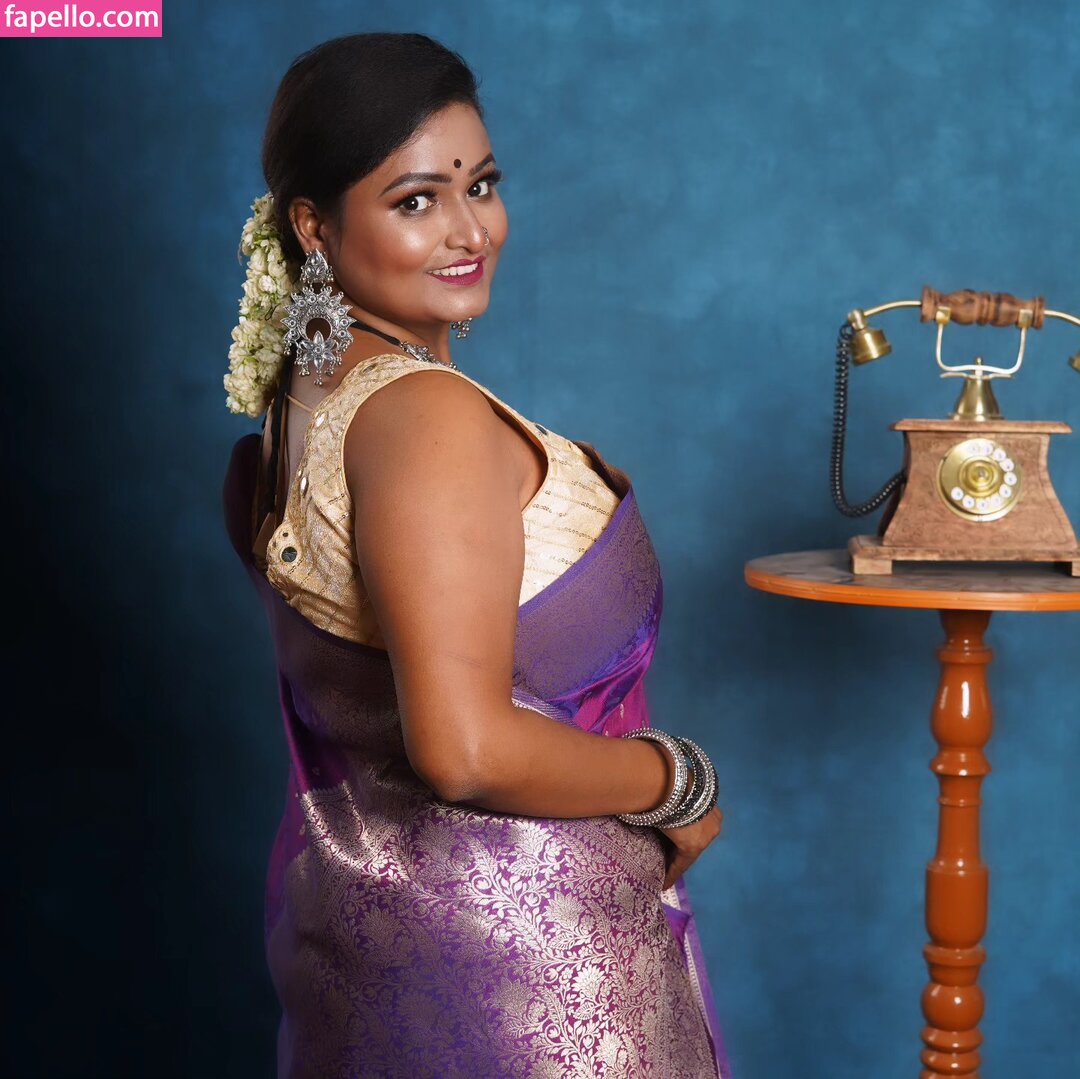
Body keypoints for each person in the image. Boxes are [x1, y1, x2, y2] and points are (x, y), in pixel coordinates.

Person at [222, 32, 730, 1079]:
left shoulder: (295, 417)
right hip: (530, 988)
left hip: (379, 956)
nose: (469, 230)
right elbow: (463, 748)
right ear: (313, 227)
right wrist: (676, 777)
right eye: (416, 199)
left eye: (482, 185)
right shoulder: (426, 420)